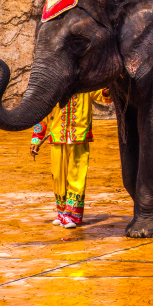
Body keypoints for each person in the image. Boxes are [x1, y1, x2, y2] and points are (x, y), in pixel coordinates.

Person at [30, 89, 112, 229]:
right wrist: (36, 139)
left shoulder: (86, 83)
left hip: (79, 136)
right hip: (57, 136)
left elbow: (104, 97)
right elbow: (43, 114)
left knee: (77, 176)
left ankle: (72, 215)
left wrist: (108, 88)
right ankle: (61, 212)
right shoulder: (56, 85)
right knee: (57, 176)